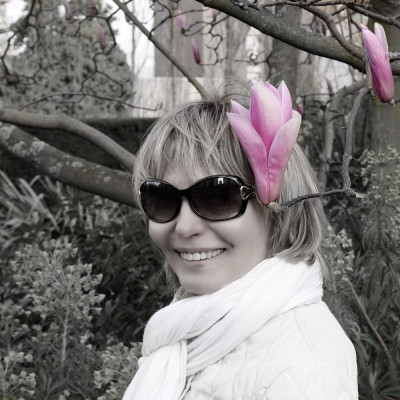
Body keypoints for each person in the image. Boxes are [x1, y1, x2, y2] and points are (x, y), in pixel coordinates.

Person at [124, 81, 358, 400]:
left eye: (218, 196)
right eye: (161, 198)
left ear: (279, 208)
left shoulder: (302, 370)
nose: (184, 227)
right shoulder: (189, 331)